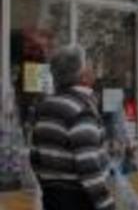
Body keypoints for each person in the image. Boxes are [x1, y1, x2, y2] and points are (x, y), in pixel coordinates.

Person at [30, 49, 114, 210]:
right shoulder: (81, 110)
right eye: (88, 64)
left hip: (51, 198)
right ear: (82, 75)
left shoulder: (44, 107)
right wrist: (107, 205)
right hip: (79, 199)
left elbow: (34, 156)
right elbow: (89, 166)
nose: (93, 68)